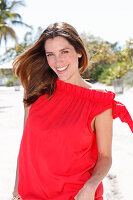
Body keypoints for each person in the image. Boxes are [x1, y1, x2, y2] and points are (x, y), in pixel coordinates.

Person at [12, 22, 133, 200]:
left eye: (64, 52)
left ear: (79, 52)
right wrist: (16, 191)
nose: (57, 61)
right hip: (31, 195)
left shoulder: (99, 101)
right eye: (50, 54)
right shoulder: (35, 92)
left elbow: (105, 157)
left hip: (76, 195)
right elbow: (26, 146)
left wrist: (90, 186)